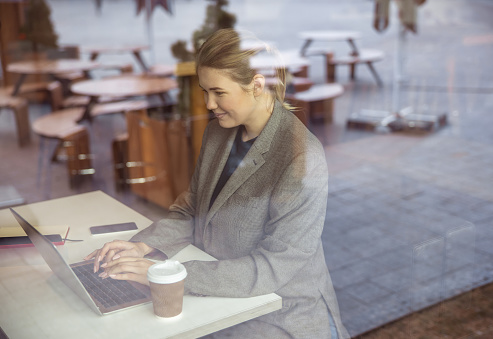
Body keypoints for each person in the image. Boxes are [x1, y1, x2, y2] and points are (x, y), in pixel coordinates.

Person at [85, 28, 350, 339]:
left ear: (257, 85)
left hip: (283, 316)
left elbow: (271, 269)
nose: (209, 104)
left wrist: (164, 274)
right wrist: (142, 246)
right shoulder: (218, 133)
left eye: (218, 92)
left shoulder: (301, 157)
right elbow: (192, 209)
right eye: (204, 91)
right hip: (225, 303)